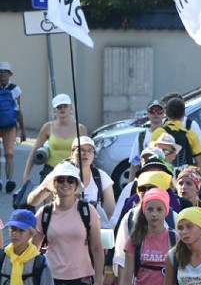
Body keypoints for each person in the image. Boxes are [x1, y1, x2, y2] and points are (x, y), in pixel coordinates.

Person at [27, 136, 115, 222]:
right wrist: (47, 187)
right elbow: (32, 201)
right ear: (72, 153)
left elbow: (109, 212)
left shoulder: (100, 176)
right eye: (81, 150)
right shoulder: (59, 172)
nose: (85, 154)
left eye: (90, 150)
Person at [22, 94, 88, 186]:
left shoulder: (80, 128)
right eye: (59, 107)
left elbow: (87, 154)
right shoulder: (48, 127)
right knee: (49, 201)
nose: (62, 109)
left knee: (69, 200)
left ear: (71, 108)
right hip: (51, 171)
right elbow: (34, 152)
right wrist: (26, 175)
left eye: (65, 106)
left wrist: (87, 175)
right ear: (54, 110)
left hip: (72, 172)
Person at [150, 97, 201, 172]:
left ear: (166, 113)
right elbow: (199, 162)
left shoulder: (158, 133)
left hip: (163, 179)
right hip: (184, 180)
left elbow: (150, 158)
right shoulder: (191, 135)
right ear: (183, 115)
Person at [0, 62, 24, 192]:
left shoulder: (15, 89)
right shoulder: (15, 89)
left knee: (9, 154)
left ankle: (6, 181)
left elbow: (19, 110)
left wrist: (23, 129)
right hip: (10, 125)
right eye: (1, 71)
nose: (3, 74)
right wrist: (23, 130)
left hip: (9, 126)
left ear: (9, 74)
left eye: (5, 71)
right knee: (9, 155)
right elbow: (18, 109)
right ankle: (9, 181)